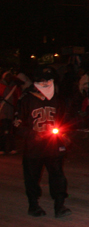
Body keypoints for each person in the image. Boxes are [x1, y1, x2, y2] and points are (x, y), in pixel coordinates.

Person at [17, 67, 71, 218]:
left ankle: (59, 205)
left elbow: (65, 120)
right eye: (42, 80)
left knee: (58, 175)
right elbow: (17, 124)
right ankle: (33, 205)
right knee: (32, 177)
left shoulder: (58, 100)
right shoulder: (26, 100)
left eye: (49, 80)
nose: (46, 83)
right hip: (34, 147)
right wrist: (33, 135)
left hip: (54, 145)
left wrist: (65, 134)